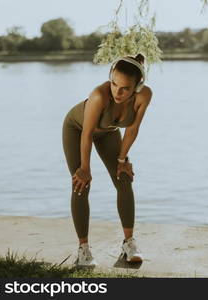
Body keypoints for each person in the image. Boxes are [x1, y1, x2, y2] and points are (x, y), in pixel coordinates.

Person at [61, 54, 152, 266]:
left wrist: (122, 159)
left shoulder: (144, 96)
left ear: (138, 86)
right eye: (114, 83)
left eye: (125, 88)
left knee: (124, 178)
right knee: (81, 184)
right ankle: (84, 250)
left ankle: (129, 243)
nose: (117, 92)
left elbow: (132, 129)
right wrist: (85, 167)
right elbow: (86, 134)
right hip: (77, 130)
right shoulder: (98, 96)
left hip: (108, 132)